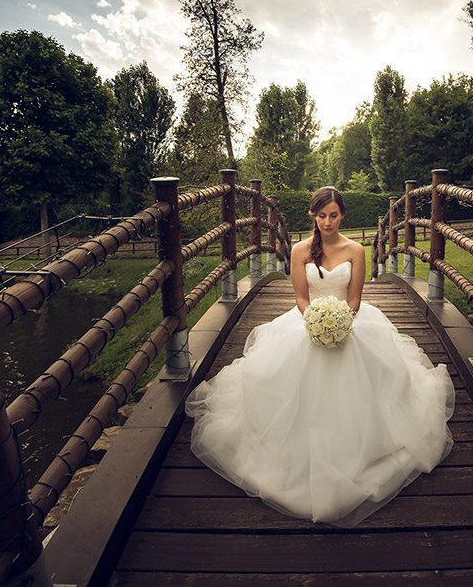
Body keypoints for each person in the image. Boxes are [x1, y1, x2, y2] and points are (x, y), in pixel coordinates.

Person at [184, 186, 455, 526]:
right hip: (307, 320)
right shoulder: (299, 250)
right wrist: (314, 323)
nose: (328, 221)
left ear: (342, 216)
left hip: (349, 322)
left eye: (334, 215)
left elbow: (354, 300)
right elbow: (300, 298)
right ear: (313, 216)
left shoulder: (356, 250)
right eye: (322, 215)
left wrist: (341, 325)